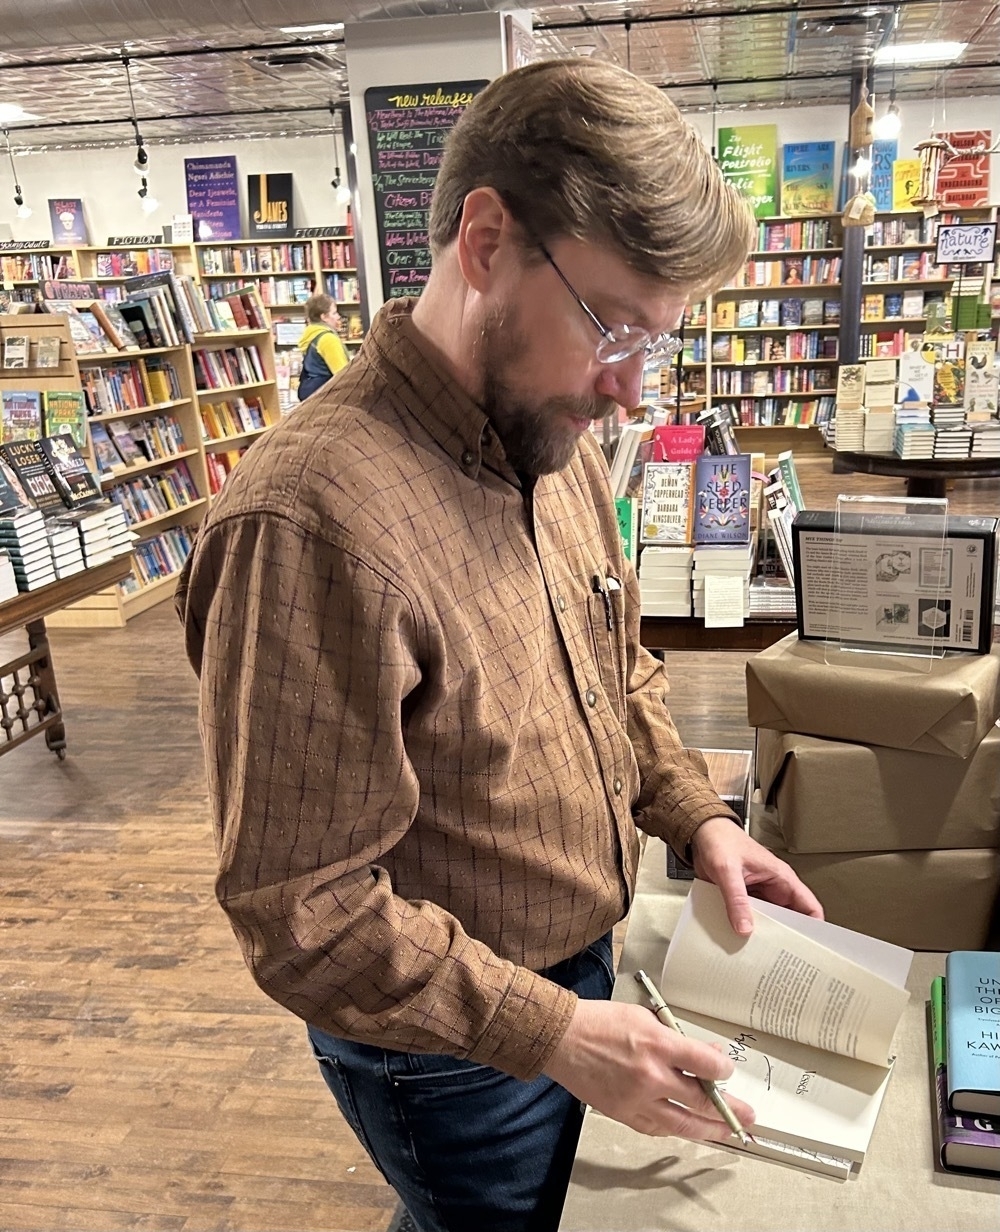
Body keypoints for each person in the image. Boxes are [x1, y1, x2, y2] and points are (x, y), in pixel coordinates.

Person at [176, 58, 823, 1232]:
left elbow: (612, 665)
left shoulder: (551, 441)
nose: (631, 391)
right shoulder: (311, 521)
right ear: (486, 241)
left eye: (656, 342)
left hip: (583, 973)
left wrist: (698, 816)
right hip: (451, 1058)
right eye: (616, 326)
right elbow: (301, 908)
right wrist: (556, 1034)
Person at [296, 292, 350, 399]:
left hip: (314, 397)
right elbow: (343, 377)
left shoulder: (310, 335)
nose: (338, 317)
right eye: (334, 313)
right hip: (330, 398)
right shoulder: (328, 339)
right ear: (324, 316)